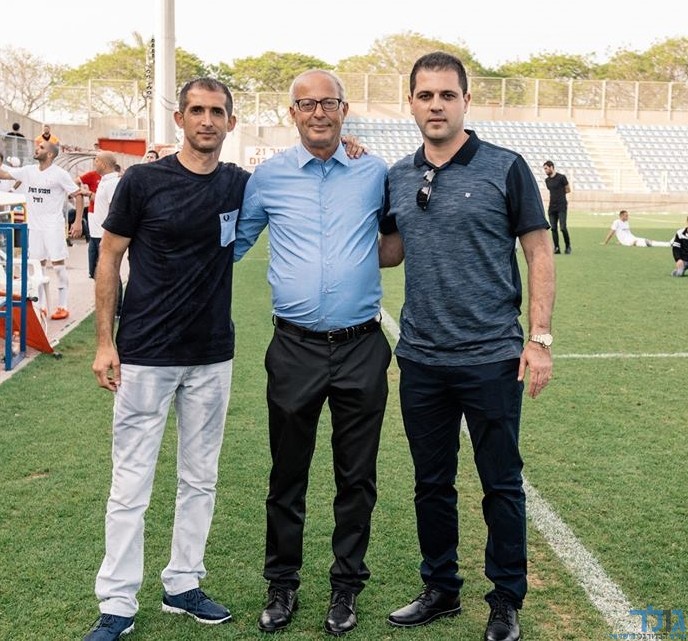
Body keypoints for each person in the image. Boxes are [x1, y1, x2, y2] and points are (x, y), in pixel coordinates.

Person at [379, 52, 555, 641]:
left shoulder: (505, 167)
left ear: (465, 101)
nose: (436, 106)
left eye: (447, 95)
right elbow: (389, 252)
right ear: (410, 103)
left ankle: (505, 599)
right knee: (431, 483)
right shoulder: (397, 175)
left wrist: (539, 338)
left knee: (501, 483)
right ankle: (441, 588)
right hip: (421, 358)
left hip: (491, 357)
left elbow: (538, 251)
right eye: (425, 95)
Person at [85, 77, 250, 641]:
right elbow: (109, 258)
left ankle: (183, 583)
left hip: (212, 356)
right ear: (179, 119)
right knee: (130, 484)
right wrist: (105, 341)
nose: (207, 120)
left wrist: (348, 145)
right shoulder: (142, 181)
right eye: (196, 110)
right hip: (146, 356)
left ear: (230, 122)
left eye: (217, 112)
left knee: (200, 479)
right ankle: (117, 602)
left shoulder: (239, 183)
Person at [234, 69, 390, 637]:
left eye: (329, 103)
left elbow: (397, 239)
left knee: (357, 478)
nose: (318, 112)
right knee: (287, 474)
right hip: (294, 347)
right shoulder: (267, 177)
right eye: (307, 104)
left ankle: (345, 588)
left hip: (361, 346)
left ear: (345, 109)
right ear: (292, 113)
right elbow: (234, 244)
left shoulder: (375, 172)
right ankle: (282, 584)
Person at [0, 141, 84, 320]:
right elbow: (4, 174)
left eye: (41, 148)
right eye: (37, 147)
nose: (37, 149)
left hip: (53, 226)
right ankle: (42, 306)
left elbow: (78, 195)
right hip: (35, 227)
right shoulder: (28, 170)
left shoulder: (60, 174)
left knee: (58, 266)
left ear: (50, 154)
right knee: (38, 266)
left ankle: (63, 306)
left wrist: (77, 222)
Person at [87, 151, 123, 315]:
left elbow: (115, 209)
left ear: (103, 163)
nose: (94, 164)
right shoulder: (105, 181)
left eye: (96, 161)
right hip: (95, 233)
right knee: (96, 272)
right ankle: (106, 304)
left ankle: (116, 309)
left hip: (104, 235)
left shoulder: (113, 183)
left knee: (109, 271)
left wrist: (108, 235)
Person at [543, 160, 571, 254]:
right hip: (552, 207)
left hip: (561, 206)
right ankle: (557, 248)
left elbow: (568, 189)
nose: (545, 171)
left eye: (546, 168)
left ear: (551, 167)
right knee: (553, 228)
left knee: (563, 227)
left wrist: (560, 195)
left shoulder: (562, 177)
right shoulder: (547, 180)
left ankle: (568, 246)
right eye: (544, 169)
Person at [602, 209, 672, 247]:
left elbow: (626, 233)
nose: (627, 217)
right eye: (626, 216)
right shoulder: (616, 222)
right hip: (629, 242)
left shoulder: (626, 222)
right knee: (648, 243)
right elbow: (611, 233)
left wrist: (620, 241)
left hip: (632, 238)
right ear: (621, 216)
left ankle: (668, 244)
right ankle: (668, 244)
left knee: (648, 241)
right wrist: (605, 242)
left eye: (627, 215)